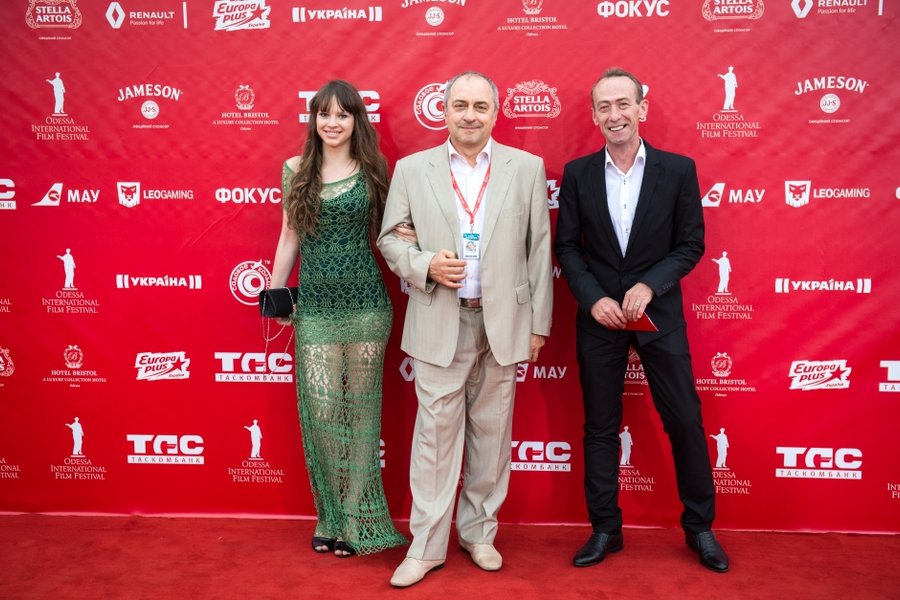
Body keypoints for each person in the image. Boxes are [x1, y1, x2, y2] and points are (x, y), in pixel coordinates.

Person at [377, 71, 552, 587]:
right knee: (434, 439)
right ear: (445, 111)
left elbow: (539, 249)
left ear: (495, 113)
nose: (470, 115)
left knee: (492, 437)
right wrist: (425, 263)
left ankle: (479, 534)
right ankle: (426, 546)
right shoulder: (412, 169)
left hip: (505, 323)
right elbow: (391, 239)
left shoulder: (526, 167)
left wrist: (538, 324)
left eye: (480, 106)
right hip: (439, 320)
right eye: (460, 105)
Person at [554, 67, 729, 573]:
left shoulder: (678, 170)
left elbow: (691, 244)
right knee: (601, 427)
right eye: (604, 107)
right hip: (600, 319)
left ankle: (700, 528)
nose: (615, 115)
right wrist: (593, 299)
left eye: (623, 104)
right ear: (594, 116)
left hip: (660, 316)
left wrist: (650, 285)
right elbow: (568, 247)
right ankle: (605, 529)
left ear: (641, 109)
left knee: (685, 420)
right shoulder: (578, 174)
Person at [267, 79, 406, 558]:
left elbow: (392, 232)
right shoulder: (295, 170)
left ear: (355, 120)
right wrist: (276, 294)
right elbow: (289, 236)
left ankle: (353, 517)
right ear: (314, 119)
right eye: (324, 114)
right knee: (325, 414)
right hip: (317, 308)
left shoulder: (374, 168)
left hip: (367, 305)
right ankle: (328, 514)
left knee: (362, 415)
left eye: (342, 114)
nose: (332, 122)